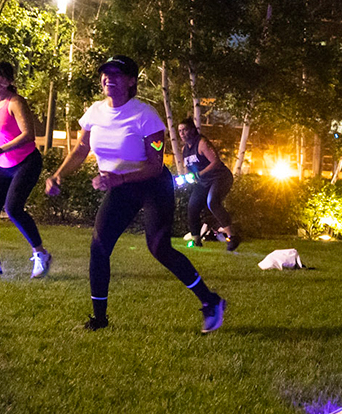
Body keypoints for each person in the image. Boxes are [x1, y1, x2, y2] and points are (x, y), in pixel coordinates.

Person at [45, 56, 225, 333]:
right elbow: (81, 149)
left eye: (116, 73)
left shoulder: (146, 116)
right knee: (99, 246)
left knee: (159, 248)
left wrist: (119, 178)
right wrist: (58, 175)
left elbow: (154, 166)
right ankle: (99, 319)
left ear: (131, 81)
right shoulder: (93, 113)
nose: (108, 78)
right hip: (119, 187)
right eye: (105, 73)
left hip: (153, 185)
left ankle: (210, 301)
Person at [0, 61, 50, 278]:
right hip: (2, 166)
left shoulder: (15, 102)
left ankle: (40, 254)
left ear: (9, 80)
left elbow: (28, 135)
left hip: (26, 162)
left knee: (13, 208)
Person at [177, 118, 240, 251]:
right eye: (179, 131)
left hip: (220, 177)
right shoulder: (185, 149)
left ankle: (232, 237)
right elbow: (188, 167)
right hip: (203, 181)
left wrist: (200, 174)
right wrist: (187, 177)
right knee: (192, 206)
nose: (182, 133)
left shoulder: (202, 143)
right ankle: (196, 240)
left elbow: (215, 162)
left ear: (192, 130)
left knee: (212, 202)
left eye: (185, 130)